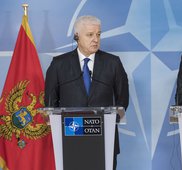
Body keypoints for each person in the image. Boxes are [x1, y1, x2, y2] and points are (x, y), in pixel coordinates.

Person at [44, 15, 129, 170]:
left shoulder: (113, 63)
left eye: (98, 34)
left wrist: (107, 123)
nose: (95, 39)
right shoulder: (59, 65)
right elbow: (50, 102)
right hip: (70, 138)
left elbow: (123, 98)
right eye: (90, 35)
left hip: (105, 138)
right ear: (77, 36)